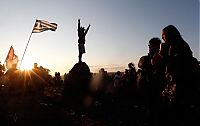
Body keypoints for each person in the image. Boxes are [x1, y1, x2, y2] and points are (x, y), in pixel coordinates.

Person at [161, 25, 200, 125]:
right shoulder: (177, 45)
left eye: (164, 35)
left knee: (176, 113)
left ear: (170, 34)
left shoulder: (178, 46)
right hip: (177, 84)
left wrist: (164, 56)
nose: (162, 38)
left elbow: (178, 66)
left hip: (179, 86)